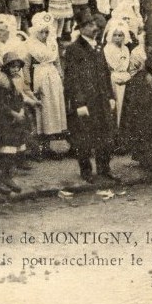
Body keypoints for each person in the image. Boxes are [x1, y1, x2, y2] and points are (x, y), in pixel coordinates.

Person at [63, 11, 117, 184]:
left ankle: (104, 169)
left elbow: (105, 73)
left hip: (101, 99)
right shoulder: (73, 49)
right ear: (81, 29)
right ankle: (86, 171)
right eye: (90, 25)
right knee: (84, 138)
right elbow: (73, 79)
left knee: (105, 135)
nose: (95, 28)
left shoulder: (99, 47)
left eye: (94, 25)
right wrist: (79, 103)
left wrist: (110, 95)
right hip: (86, 101)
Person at [0, 52, 34, 195]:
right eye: (12, 66)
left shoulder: (18, 80)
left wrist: (20, 111)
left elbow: (19, 97)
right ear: (6, 67)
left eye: (17, 67)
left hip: (15, 120)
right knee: (4, 152)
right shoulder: (2, 82)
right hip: (4, 120)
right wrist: (13, 113)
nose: (15, 69)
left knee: (13, 152)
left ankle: (8, 177)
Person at [28, 12, 68, 155]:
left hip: (53, 76)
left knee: (53, 110)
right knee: (42, 110)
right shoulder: (30, 44)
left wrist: (60, 76)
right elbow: (27, 66)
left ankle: (51, 146)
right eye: (41, 32)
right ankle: (40, 146)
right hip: (39, 75)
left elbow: (57, 62)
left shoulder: (52, 42)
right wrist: (29, 84)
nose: (45, 34)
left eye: (47, 31)